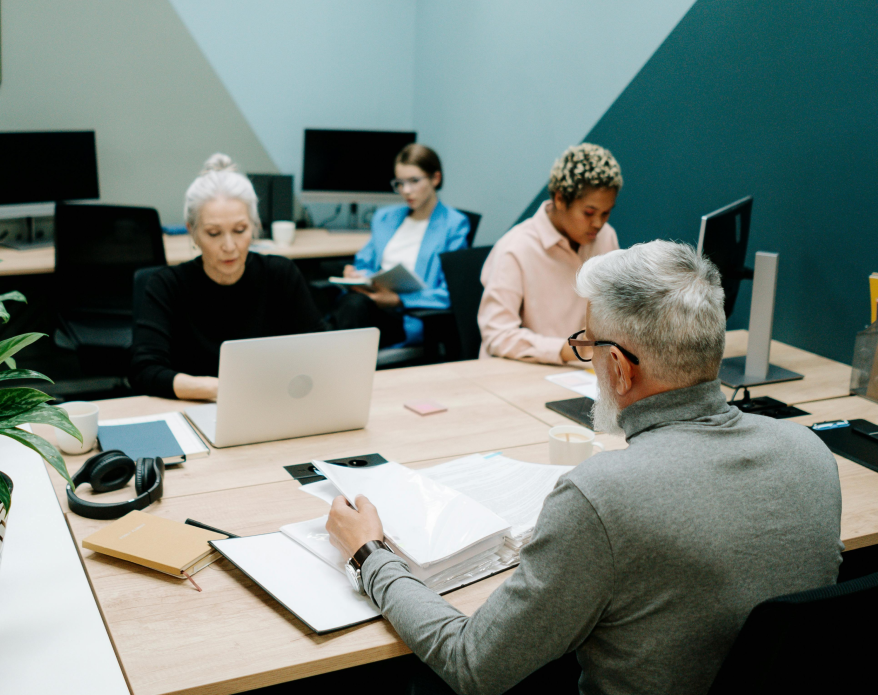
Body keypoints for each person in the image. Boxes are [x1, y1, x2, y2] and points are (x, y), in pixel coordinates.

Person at [325, 241, 843, 695]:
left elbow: (472, 665)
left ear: (618, 368)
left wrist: (370, 555)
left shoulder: (602, 496)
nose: (587, 358)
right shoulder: (810, 453)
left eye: (589, 345)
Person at [129, 154, 324, 401]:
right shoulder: (167, 285)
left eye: (240, 230)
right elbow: (144, 371)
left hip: (270, 404)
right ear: (193, 231)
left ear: (254, 225)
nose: (229, 246)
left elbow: (320, 351)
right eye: (214, 233)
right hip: (192, 409)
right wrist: (219, 390)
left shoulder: (280, 275)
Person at [478, 142, 622, 363]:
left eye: (606, 213)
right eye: (589, 212)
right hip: (520, 372)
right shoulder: (515, 249)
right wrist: (568, 349)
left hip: (582, 372)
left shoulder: (606, 237)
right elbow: (497, 336)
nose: (598, 223)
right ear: (560, 199)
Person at [329, 144, 471, 347]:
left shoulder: (453, 225)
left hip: (406, 314)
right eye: (400, 183)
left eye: (414, 181)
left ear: (435, 178)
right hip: (370, 304)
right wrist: (356, 274)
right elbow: (365, 261)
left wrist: (397, 300)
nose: (406, 191)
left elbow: (449, 293)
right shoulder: (386, 217)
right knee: (346, 303)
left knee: (350, 308)